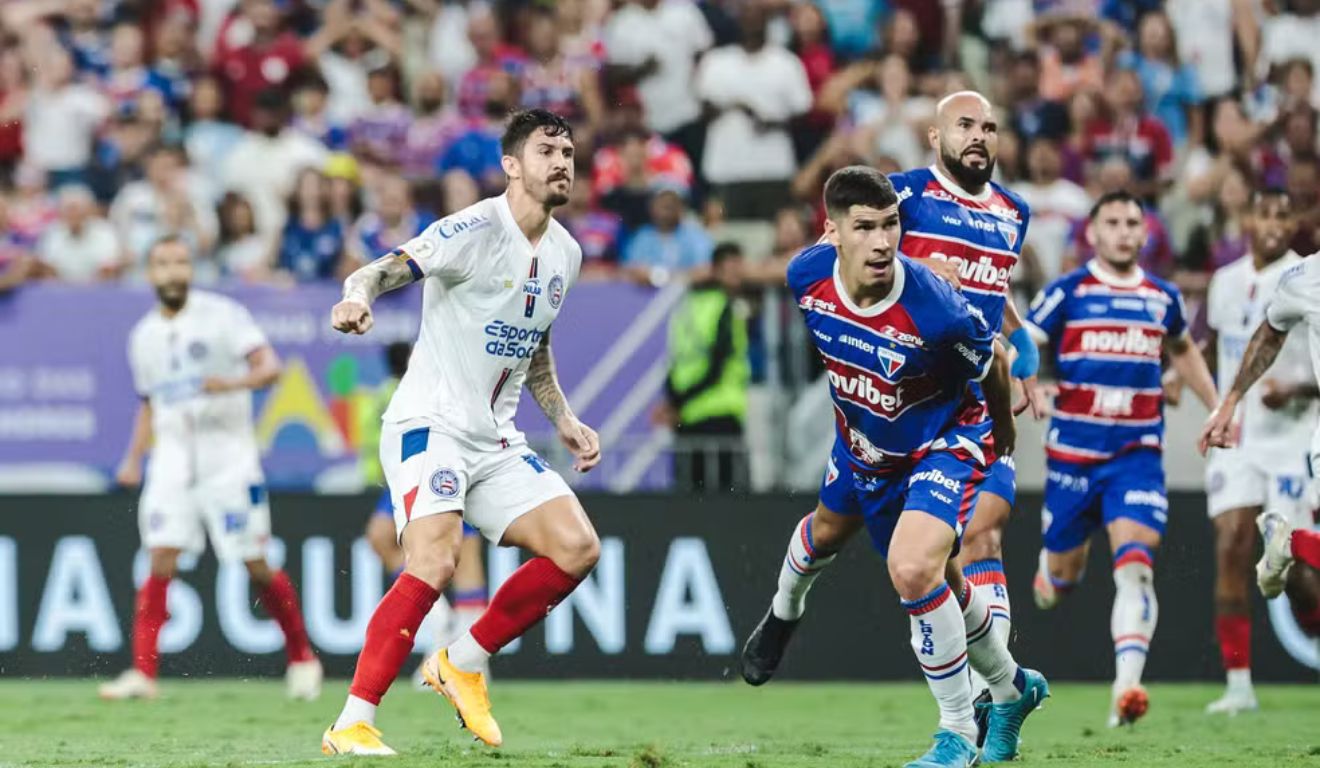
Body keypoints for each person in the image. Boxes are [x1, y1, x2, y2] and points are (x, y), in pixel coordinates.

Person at [740, 166, 1048, 768]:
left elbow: (990, 364)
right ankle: (1012, 687)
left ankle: (957, 733)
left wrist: (1003, 437)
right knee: (849, 543)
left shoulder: (937, 309)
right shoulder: (806, 276)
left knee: (912, 568)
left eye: (890, 226)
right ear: (832, 232)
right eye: (865, 228)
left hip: (945, 441)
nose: (882, 242)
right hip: (865, 445)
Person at [321, 109, 601, 756]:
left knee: (577, 548)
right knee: (435, 559)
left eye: (567, 152)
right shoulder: (472, 229)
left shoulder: (566, 253)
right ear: (512, 165)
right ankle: (352, 723)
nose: (562, 162)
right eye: (546, 151)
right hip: (431, 423)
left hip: (495, 440)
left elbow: (534, 345)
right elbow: (378, 270)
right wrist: (357, 297)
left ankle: (461, 662)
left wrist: (563, 417)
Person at [1025, 191, 1218, 727]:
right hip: (1072, 459)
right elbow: (1024, 341)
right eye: (1112, 222)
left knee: (1135, 567)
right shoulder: (1067, 291)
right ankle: (1049, 570)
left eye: (1133, 222)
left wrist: (1217, 406)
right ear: (1092, 233)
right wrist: (1028, 382)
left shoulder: (1162, 297)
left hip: (1135, 457)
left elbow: (1183, 349)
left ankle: (1126, 690)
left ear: (1145, 232)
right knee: (1056, 586)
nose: (1124, 231)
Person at [100, 235, 322, 702]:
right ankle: (143, 674)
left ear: (191, 269)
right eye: (163, 263)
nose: (173, 272)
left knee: (254, 562)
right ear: (150, 273)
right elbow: (149, 403)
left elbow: (271, 369)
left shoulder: (223, 315)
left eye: (181, 262)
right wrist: (133, 458)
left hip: (229, 460)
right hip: (172, 460)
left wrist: (231, 384)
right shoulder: (143, 336)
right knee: (160, 555)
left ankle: (303, 658)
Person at [886, 91, 1044, 727]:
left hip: (982, 401)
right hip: (906, 404)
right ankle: (1004, 686)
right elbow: (840, 260)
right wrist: (916, 265)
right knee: (932, 567)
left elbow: (993, 289)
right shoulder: (902, 196)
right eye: (965, 125)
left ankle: (981, 704)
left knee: (983, 534)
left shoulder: (1014, 212)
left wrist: (1024, 356)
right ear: (935, 136)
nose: (979, 135)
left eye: (990, 127)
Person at [1199, 190, 1320, 716]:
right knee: (1230, 544)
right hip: (1242, 437)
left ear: (1296, 223)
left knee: (1301, 580)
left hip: (1294, 434)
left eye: (1283, 215)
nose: (1273, 224)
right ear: (1247, 220)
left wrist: (1295, 389)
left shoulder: (1297, 272)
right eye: (1264, 214)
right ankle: (1238, 684)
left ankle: (1292, 551)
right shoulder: (1240, 281)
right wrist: (1220, 400)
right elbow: (1230, 342)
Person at [359, 342, 489, 670]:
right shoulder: (399, 391)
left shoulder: (439, 386)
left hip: (446, 468)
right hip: (406, 474)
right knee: (385, 538)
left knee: (461, 550)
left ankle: (469, 657)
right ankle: (439, 620)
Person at [656, 242, 749, 491]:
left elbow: (675, 361)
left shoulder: (686, 307)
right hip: (722, 414)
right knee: (727, 499)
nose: (737, 276)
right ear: (715, 270)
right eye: (732, 269)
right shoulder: (726, 307)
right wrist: (678, 402)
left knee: (689, 496)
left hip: (687, 418)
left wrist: (674, 402)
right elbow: (717, 367)